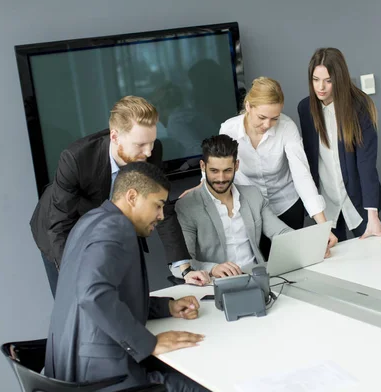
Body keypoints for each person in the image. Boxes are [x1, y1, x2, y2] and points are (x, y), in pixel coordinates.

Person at [45, 161, 209, 392]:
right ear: (132, 197)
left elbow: (110, 295)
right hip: (101, 378)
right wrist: (149, 344)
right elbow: (92, 294)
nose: (162, 216)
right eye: (158, 205)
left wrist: (167, 307)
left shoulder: (90, 220)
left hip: (72, 369)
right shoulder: (115, 227)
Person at [30, 96, 208, 297]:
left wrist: (184, 268)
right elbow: (59, 226)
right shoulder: (77, 159)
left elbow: (161, 207)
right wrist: (76, 278)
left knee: (124, 298)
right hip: (63, 230)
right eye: (140, 145)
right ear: (115, 137)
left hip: (115, 229)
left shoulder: (152, 150)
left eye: (151, 142)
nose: (148, 152)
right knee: (77, 302)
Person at [180, 77, 337, 261]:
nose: (267, 125)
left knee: (291, 260)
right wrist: (202, 186)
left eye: (274, 119)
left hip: (285, 204)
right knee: (260, 261)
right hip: (250, 208)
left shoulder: (287, 128)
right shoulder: (229, 129)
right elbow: (220, 163)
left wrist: (323, 227)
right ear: (248, 106)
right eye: (262, 117)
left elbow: (302, 176)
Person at [298, 47, 381, 242]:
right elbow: (311, 159)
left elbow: (366, 163)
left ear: (339, 79)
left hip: (359, 199)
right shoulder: (305, 109)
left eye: (328, 80)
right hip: (326, 200)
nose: (320, 87)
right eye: (315, 79)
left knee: (372, 257)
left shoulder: (360, 107)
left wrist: (372, 215)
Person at [172, 135, 294, 278]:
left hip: (257, 276)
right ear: (203, 166)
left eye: (227, 170)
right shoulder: (187, 206)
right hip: (215, 282)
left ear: (236, 166)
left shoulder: (252, 195)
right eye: (214, 171)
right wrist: (213, 268)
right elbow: (183, 261)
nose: (221, 178)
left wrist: (310, 244)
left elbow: (281, 233)